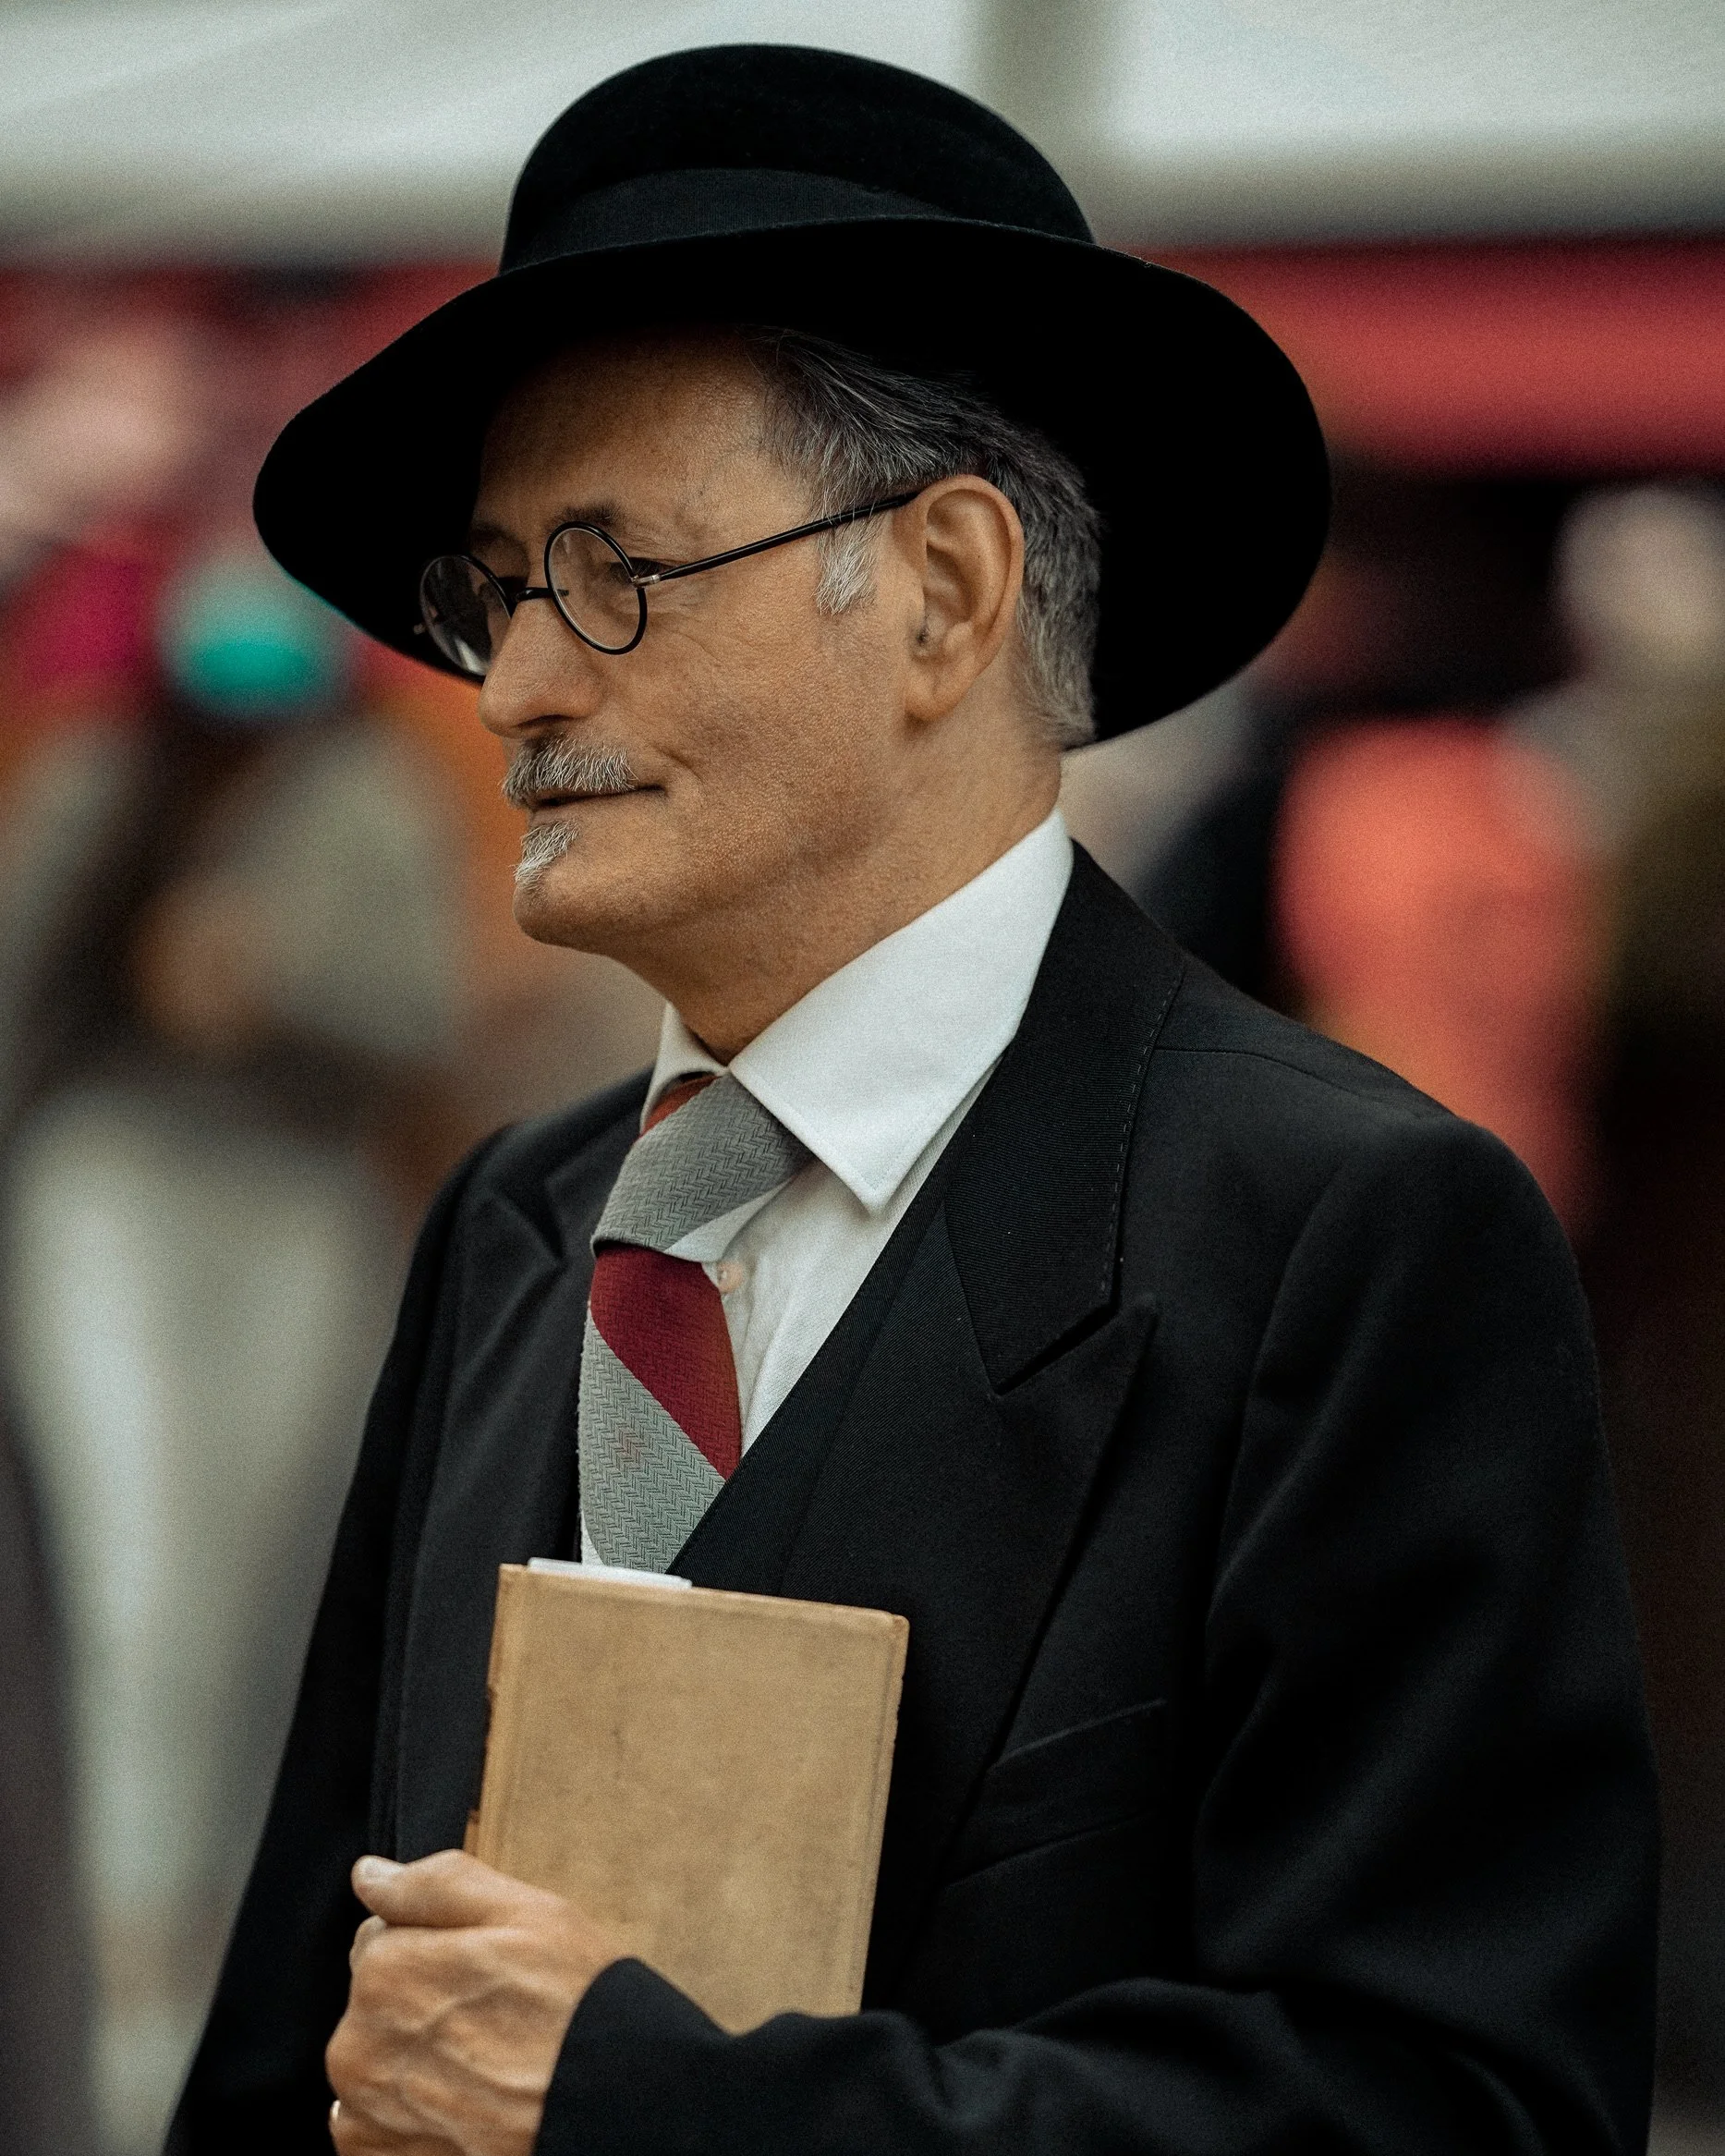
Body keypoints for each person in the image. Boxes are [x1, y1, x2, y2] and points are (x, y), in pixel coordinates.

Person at [171, 43, 1657, 2156]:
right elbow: (295, 2043)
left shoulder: (1342, 1233)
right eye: (493, 591)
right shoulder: (515, 1222)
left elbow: (1458, 2095)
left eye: (612, 573)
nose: (510, 686)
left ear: (947, 593)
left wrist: (650, 2104)